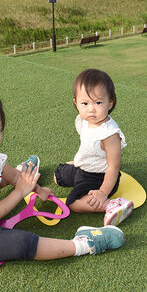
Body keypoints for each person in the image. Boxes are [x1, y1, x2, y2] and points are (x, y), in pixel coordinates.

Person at [0, 83, 125, 263]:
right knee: (20, 243)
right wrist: (21, 191)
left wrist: (37, 189)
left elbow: (15, 178)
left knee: (7, 176)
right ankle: (85, 244)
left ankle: (25, 168)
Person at [54, 69, 134, 226]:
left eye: (98, 103)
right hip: (84, 167)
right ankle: (75, 166)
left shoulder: (109, 134)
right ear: (76, 103)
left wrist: (103, 193)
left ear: (110, 102)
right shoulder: (85, 120)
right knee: (58, 177)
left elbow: (113, 166)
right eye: (85, 103)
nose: (91, 109)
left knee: (73, 202)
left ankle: (112, 206)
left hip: (99, 177)